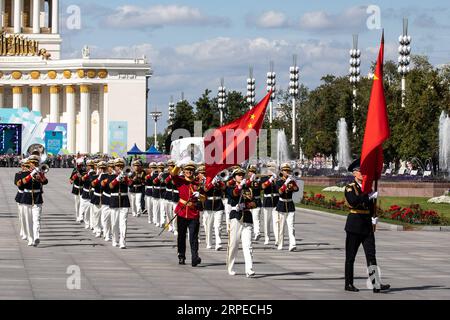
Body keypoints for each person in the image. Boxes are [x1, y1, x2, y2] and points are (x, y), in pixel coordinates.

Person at [344, 159, 390, 293]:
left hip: (367, 226)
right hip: (354, 225)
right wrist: (368, 197)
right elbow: (353, 202)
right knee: (350, 256)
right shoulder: (350, 187)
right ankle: (349, 283)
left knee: (371, 256)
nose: (362, 173)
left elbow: (370, 206)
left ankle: (376, 284)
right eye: (360, 171)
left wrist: (373, 217)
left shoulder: (368, 187)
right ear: (354, 173)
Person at [170, 161, 202, 267]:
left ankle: (194, 257)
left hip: (193, 213)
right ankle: (181, 256)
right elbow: (173, 175)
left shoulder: (198, 183)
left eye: (191, 170)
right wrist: (177, 166)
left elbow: (205, 196)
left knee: (193, 237)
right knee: (181, 236)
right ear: (184, 171)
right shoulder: (180, 181)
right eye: (187, 170)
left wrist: (200, 195)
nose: (189, 172)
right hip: (182, 212)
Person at [227, 168, 257, 277]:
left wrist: (245, 205)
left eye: (242, 175)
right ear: (234, 177)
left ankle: (249, 269)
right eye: (238, 175)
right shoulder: (230, 187)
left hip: (247, 217)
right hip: (236, 217)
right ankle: (230, 266)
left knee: (248, 245)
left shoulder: (249, 188)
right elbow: (234, 194)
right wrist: (240, 187)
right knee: (234, 244)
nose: (241, 176)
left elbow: (255, 203)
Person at [20, 155, 48, 247]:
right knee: (28, 220)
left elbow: (45, 182)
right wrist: (30, 175)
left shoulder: (40, 173)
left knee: (37, 219)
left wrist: (40, 175)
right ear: (29, 163)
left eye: (36, 163)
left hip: (37, 198)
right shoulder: (24, 173)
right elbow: (20, 184)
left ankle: (36, 237)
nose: (34, 165)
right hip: (26, 198)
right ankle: (30, 238)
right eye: (33, 163)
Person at [275, 163, 300, 251]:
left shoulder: (291, 181)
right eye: (285, 170)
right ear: (282, 171)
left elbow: (297, 189)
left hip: (290, 205)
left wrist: (292, 181)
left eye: (288, 171)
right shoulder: (278, 182)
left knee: (291, 226)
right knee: (281, 227)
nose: (287, 172)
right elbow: (280, 192)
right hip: (281, 204)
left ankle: (292, 244)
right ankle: (280, 243)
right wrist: (286, 183)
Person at [108, 158, 131, 249]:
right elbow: (110, 186)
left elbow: (131, 184)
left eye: (121, 166)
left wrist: (125, 177)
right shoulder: (111, 175)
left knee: (123, 222)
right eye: (118, 166)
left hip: (124, 199)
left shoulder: (126, 175)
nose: (119, 168)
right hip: (114, 199)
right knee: (114, 222)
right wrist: (117, 179)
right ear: (115, 167)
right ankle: (114, 239)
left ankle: (122, 241)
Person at [202, 173, 225, 251]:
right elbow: (205, 189)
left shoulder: (219, 180)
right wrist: (211, 183)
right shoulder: (206, 179)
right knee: (209, 225)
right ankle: (209, 242)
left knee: (218, 225)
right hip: (209, 204)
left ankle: (218, 243)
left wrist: (219, 182)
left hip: (218, 204)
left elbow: (224, 187)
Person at [260, 162, 279, 245]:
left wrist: (275, 180)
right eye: (270, 168)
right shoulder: (264, 177)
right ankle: (267, 238)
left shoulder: (278, 178)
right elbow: (263, 187)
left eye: (273, 168)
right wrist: (270, 180)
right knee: (267, 221)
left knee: (276, 221)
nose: (271, 170)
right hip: (267, 200)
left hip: (276, 200)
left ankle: (277, 239)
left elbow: (279, 188)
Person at [90, 161, 108, 238]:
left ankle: (105, 230)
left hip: (104, 197)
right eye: (100, 168)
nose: (101, 170)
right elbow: (93, 185)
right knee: (96, 215)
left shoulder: (108, 176)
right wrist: (99, 178)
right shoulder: (95, 176)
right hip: (97, 197)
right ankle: (98, 230)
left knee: (104, 216)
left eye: (103, 168)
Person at [100, 160, 115, 242]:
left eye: (113, 167)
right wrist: (103, 182)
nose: (111, 168)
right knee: (105, 219)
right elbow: (100, 188)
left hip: (114, 199)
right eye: (110, 167)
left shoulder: (118, 176)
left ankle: (113, 234)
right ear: (107, 167)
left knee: (114, 219)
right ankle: (106, 234)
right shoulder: (104, 176)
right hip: (106, 198)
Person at [15, 159, 29, 241]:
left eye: (27, 166)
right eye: (24, 165)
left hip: (31, 195)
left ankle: (28, 231)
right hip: (21, 195)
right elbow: (18, 185)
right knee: (22, 215)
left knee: (28, 216)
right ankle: (23, 230)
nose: (24, 167)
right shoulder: (18, 174)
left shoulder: (33, 174)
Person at [79, 160, 95, 229]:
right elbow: (82, 180)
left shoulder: (93, 173)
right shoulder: (86, 173)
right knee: (84, 208)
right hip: (85, 192)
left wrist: (88, 175)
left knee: (90, 210)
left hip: (90, 193)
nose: (87, 167)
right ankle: (86, 222)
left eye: (88, 166)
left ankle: (91, 224)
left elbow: (90, 181)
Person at [248, 166, 262, 241]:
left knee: (256, 218)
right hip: (249, 202)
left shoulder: (258, 181)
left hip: (257, 202)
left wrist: (254, 180)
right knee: (249, 218)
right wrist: (250, 180)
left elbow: (259, 189)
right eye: (250, 172)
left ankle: (257, 233)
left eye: (253, 172)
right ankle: (249, 233)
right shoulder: (247, 180)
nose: (251, 173)